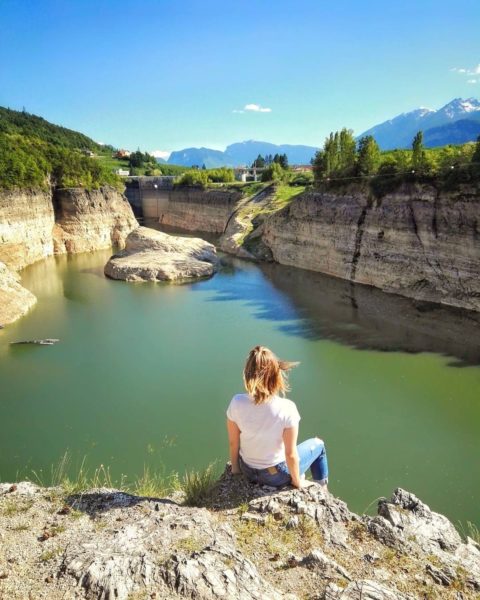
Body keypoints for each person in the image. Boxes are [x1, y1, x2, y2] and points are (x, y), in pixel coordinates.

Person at [226, 345, 328, 489]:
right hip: (275, 476)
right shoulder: (287, 408)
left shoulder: (236, 402)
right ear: (276, 376)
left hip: (247, 470)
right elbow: (290, 454)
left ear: (248, 374)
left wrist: (236, 471)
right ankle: (322, 488)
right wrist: (297, 481)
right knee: (318, 444)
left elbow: (233, 443)